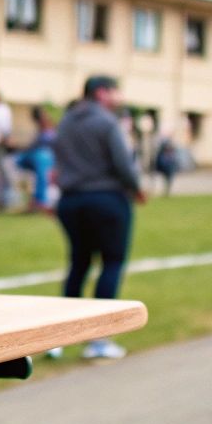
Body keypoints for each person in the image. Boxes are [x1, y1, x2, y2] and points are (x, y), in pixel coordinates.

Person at [50, 75, 147, 360]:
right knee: (112, 262)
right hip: (106, 198)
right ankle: (100, 340)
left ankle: (57, 338)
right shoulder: (106, 122)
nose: (119, 97)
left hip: (71, 200)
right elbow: (123, 163)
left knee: (78, 263)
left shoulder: (66, 122)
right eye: (116, 91)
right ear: (101, 93)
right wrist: (137, 188)